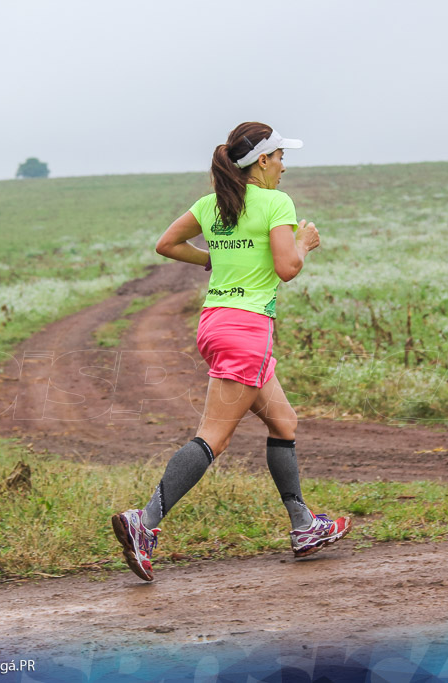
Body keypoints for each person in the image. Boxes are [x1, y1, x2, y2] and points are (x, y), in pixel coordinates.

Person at [111, 122, 351, 581]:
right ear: (261, 160)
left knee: (284, 422)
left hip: (214, 325)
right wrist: (304, 242)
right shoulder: (276, 203)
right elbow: (286, 268)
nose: (283, 167)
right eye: (280, 157)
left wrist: (212, 258)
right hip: (248, 329)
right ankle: (144, 524)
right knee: (213, 437)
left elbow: (166, 244)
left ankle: (304, 526)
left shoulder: (212, 204)